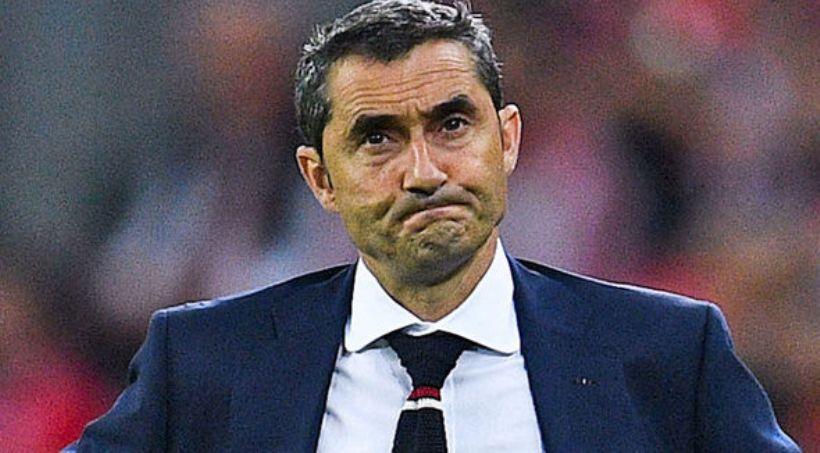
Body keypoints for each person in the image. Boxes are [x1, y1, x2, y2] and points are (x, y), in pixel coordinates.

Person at [66, 1, 800, 451]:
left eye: (452, 125)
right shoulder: (203, 363)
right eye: (377, 138)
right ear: (320, 178)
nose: (423, 171)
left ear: (506, 140)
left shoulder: (667, 354)